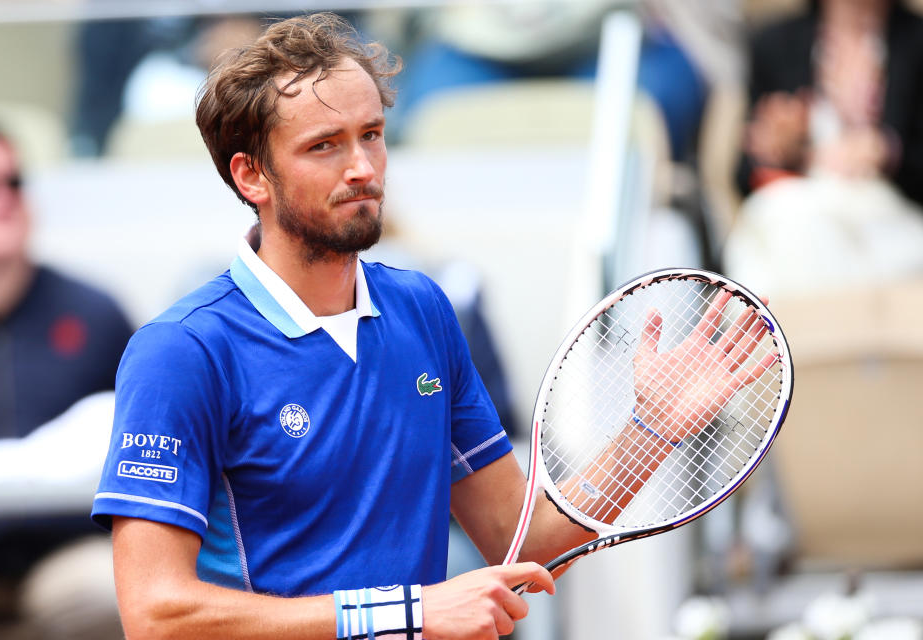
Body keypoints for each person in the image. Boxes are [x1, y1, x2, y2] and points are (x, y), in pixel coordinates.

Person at [91, 13, 774, 639]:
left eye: (372, 136)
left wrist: (647, 431)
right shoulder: (181, 352)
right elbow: (156, 614)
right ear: (252, 176)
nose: (363, 168)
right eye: (325, 146)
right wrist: (411, 613)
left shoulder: (422, 308)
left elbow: (520, 540)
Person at [0, 126, 133, 636]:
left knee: (111, 594)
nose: (0, 201)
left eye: (12, 183)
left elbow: (151, 440)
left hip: (69, 549)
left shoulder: (94, 314)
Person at [725, 0, 923, 296]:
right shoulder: (776, 44)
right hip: (799, 206)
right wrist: (785, 151)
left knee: (783, 230)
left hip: (891, 217)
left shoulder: (915, 41)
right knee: (785, 220)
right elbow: (744, 175)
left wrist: (887, 152)